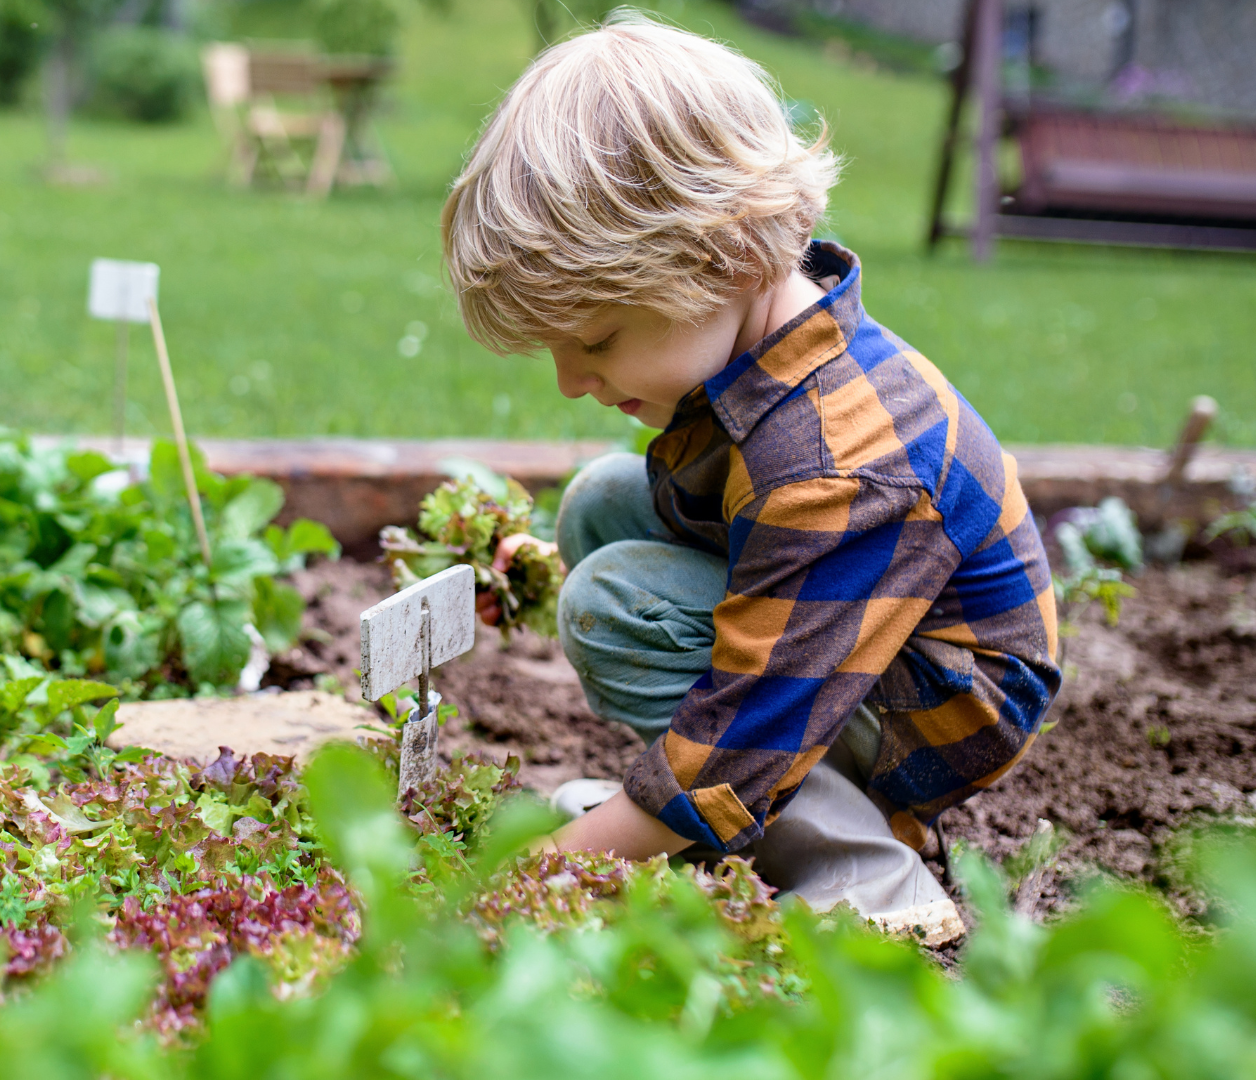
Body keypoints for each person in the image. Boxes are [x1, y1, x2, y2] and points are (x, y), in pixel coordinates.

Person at [441, 12, 1060, 940]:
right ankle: (712, 814)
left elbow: (758, 711)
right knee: (604, 507)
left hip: (935, 711)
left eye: (596, 340)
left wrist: (542, 871)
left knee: (612, 605)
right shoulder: (762, 341)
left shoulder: (836, 464)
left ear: (724, 256)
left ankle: (865, 871)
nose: (571, 383)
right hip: (870, 652)